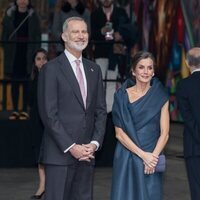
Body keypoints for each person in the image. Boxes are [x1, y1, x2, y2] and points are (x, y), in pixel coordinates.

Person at [37, 17, 107, 200]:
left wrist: (94, 144)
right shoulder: (51, 69)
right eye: (75, 31)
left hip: (86, 156)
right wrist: (71, 146)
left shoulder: (94, 70)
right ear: (64, 36)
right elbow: (48, 114)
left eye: (84, 31)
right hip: (60, 155)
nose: (81, 36)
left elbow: (100, 111)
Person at [111, 51, 170, 200]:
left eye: (149, 68)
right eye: (141, 67)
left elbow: (165, 133)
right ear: (133, 71)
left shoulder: (161, 95)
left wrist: (153, 158)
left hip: (152, 155)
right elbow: (119, 134)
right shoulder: (121, 96)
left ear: (154, 71)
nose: (145, 71)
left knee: (151, 195)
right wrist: (143, 155)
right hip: (127, 154)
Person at [1, 0, 41, 120]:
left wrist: (35, 52)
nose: (22, 1)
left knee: (26, 82)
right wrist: (7, 48)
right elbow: (4, 36)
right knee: (14, 82)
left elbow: (37, 36)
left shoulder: (33, 15)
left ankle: (24, 110)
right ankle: (14, 110)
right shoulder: (9, 15)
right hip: (14, 52)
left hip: (28, 52)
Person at [91, 0, 129, 113]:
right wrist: (101, 31)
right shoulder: (95, 14)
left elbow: (128, 29)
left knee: (112, 82)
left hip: (115, 53)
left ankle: (109, 113)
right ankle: (100, 112)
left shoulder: (120, 12)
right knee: (100, 82)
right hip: (100, 52)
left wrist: (120, 34)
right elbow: (92, 34)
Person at [176, 47, 200, 200]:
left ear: (187, 63)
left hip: (194, 147)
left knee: (196, 189)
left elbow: (188, 118)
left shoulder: (183, 85)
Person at [29, 48, 48, 199]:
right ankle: (42, 186)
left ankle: (50, 185)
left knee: (50, 154)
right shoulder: (33, 79)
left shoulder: (52, 77)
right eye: (38, 59)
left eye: (44, 58)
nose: (41, 62)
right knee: (40, 155)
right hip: (36, 121)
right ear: (34, 63)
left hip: (50, 121)